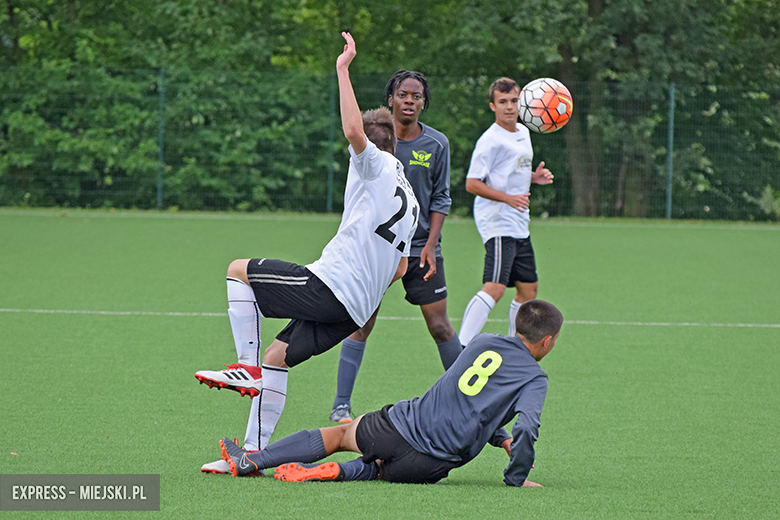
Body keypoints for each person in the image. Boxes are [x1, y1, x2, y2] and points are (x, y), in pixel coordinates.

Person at [194, 31, 420, 474]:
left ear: (371, 150)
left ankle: (245, 368)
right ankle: (251, 458)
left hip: (332, 287)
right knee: (277, 356)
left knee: (238, 270)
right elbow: (401, 268)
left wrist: (342, 68)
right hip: (355, 310)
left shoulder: (374, 162)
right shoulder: (409, 198)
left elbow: (355, 129)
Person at [219, 299, 563, 487]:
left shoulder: (482, 342)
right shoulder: (535, 377)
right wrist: (515, 476)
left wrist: (499, 436)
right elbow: (526, 427)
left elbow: (469, 395)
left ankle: (252, 460)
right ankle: (342, 473)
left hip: (396, 425)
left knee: (339, 435)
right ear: (547, 341)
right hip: (431, 462)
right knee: (380, 471)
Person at [329, 69, 461, 423]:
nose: (409, 101)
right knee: (361, 322)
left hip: (420, 250)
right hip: (379, 250)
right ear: (391, 99)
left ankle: (468, 398)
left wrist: (431, 244)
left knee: (440, 326)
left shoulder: (437, 144)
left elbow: (441, 198)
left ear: (424, 103)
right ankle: (341, 405)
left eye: (417, 96)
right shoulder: (375, 142)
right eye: (403, 94)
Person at [458, 77, 554, 347]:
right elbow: (472, 183)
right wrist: (508, 199)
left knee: (528, 290)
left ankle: (515, 347)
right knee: (495, 288)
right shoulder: (490, 141)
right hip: (498, 222)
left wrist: (534, 177)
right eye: (503, 102)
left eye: (514, 100)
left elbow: (511, 172)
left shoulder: (524, 131)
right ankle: (461, 347)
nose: (509, 107)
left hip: (519, 222)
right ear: (493, 106)